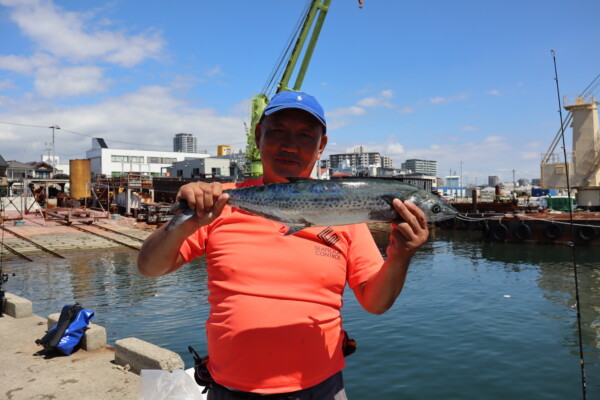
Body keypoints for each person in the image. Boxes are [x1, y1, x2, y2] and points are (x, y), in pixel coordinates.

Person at [137, 90, 429, 399]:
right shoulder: (218, 202)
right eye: (277, 132)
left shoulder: (346, 213)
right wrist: (185, 225)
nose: (290, 145)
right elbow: (149, 268)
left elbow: (376, 302)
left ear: (321, 146)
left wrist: (401, 256)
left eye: (305, 135)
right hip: (231, 390)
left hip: (321, 389)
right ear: (259, 135)